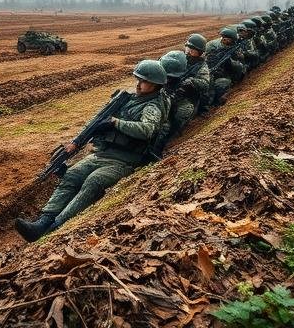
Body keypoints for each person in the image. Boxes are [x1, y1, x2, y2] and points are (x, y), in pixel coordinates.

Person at [14, 59, 168, 241]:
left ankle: (56, 227)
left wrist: (116, 122)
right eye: (138, 79)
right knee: (72, 175)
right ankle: (42, 222)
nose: (138, 84)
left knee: (94, 181)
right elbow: (96, 120)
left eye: (144, 81)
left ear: (156, 85)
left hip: (125, 160)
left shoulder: (152, 106)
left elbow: (147, 130)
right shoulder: (128, 100)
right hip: (102, 153)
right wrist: (76, 142)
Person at [204, 27, 245, 106]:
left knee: (224, 83)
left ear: (232, 40)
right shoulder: (211, 45)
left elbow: (239, 64)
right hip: (210, 68)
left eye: (228, 39)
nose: (225, 40)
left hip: (225, 71)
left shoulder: (235, 47)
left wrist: (233, 60)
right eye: (224, 38)